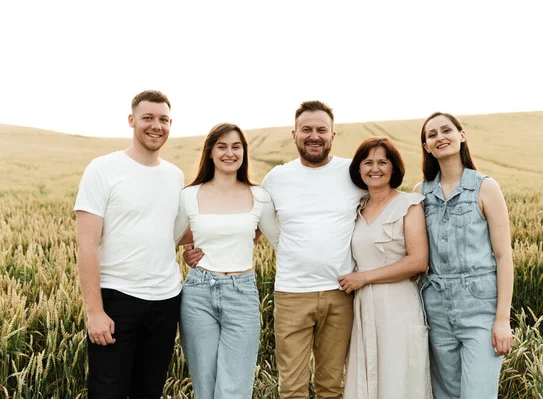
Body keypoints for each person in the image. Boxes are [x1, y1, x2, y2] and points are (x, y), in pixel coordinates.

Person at [185, 101, 365, 398]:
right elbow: (247, 228)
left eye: (322, 129)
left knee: (331, 385)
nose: (314, 135)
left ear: (333, 135)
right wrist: (200, 249)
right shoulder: (277, 179)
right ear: (294, 133)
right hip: (291, 293)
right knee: (291, 387)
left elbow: (383, 206)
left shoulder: (353, 173)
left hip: (340, 292)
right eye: (306, 129)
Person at [74, 90, 184, 398]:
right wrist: (95, 310)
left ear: (170, 123)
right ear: (132, 120)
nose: (156, 126)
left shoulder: (174, 176)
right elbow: (86, 245)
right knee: (106, 390)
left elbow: (170, 234)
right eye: (148, 118)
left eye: (163, 119)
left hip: (166, 300)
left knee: (149, 391)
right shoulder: (103, 169)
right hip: (117, 301)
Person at [174, 123, 279, 398]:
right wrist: (187, 252)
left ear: (244, 152)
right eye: (221, 146)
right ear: (210, 152)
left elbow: (282, 243)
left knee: (234, 388)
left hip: (242, 293)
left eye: (236, 146)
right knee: (205, 386)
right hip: (198, 293)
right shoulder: (189, 195)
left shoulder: (260, 197)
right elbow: (169, 240)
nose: (229, 153)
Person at [414, 112, 514, 398]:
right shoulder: (421, 192)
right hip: (434, 306)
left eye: (446, 130)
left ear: (462, 135)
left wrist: (502, 320)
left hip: (479, 308)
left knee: (479, 393)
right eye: (432, 135)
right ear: (426, 147)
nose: (440, 137)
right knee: (445, 394)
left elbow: (503, 257)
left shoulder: (485, 187)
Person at [338, 137, 432, 398]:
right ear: (358, 169)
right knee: (366, 378)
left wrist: (364, 278)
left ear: (394, 168)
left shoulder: (409, 204)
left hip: (398, 305)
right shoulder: (357, 208)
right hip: (364, 306)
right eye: (367, 162)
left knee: (397, 377)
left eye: (382, 162)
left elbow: (418, 261)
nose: (375, 168)